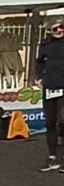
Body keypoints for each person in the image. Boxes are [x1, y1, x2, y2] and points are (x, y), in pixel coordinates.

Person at [36, 17, 64, 171]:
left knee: (63, 120)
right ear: (49, 31)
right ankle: (52, 157)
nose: (59, 30)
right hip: (50, 87)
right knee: (50, 122)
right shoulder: (45, 45)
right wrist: (38, 77)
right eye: (55, 29)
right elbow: (39, 62)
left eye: (61, 27)